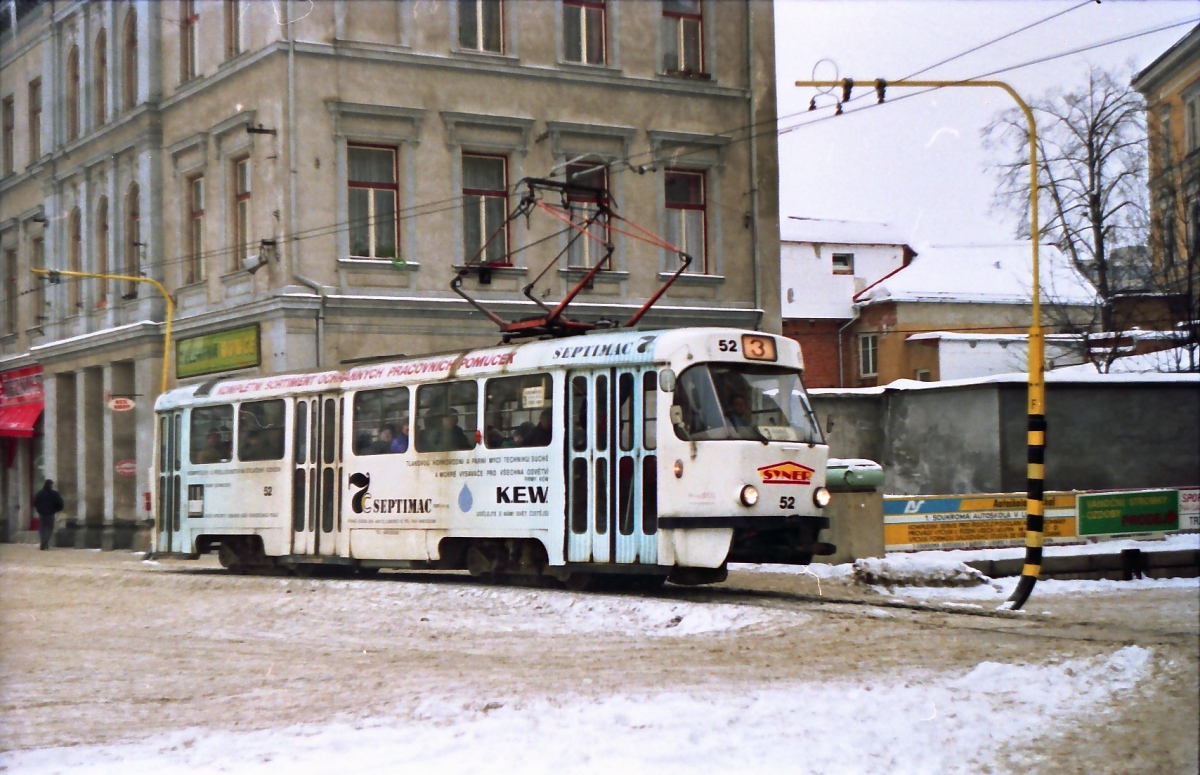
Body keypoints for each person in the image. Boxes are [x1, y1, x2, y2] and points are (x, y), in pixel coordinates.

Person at [34, 479, 64, 551]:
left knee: (42, 529)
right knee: (49, 528)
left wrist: (39, 510)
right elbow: (60, 503)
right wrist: (56, 510)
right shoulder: (54, 494)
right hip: (50, 513)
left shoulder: (40, 493)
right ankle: (45, 541)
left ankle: (43, 541)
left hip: (42, 514)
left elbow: (35, 502)